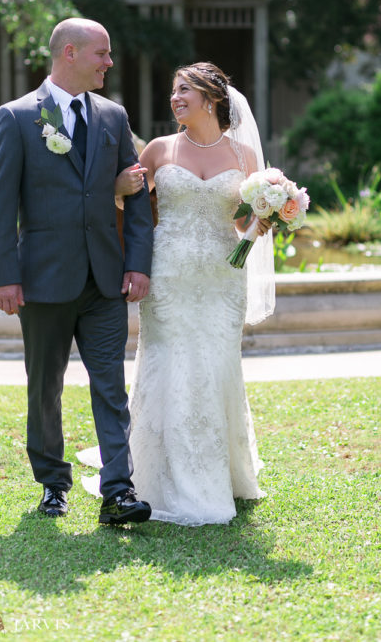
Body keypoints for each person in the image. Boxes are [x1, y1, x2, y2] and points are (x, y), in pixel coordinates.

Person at [80, 62, 276, 525]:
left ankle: (222, 473)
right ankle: (152, 474)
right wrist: (115, 188)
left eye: (184, 90)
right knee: (168, 364)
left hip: (221, 279)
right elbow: (128, 204)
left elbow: (243, 223)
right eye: (173, 91)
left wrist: (263, 221)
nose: (175, 98)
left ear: (211, 98)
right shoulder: (157, 150)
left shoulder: (246, 156)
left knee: (216, 366)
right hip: (167, 275)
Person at [0, 17, 154, 525]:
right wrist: (3, 276)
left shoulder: (114, 116)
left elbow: (138, 196)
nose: (109, 62)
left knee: (110, 386)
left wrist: (137, 265)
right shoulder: (16, 118)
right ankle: (53, 485)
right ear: (71, 53)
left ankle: (118, 492)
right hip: (42, 281)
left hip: (104, 280)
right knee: (45, 388)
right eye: (102, 53)